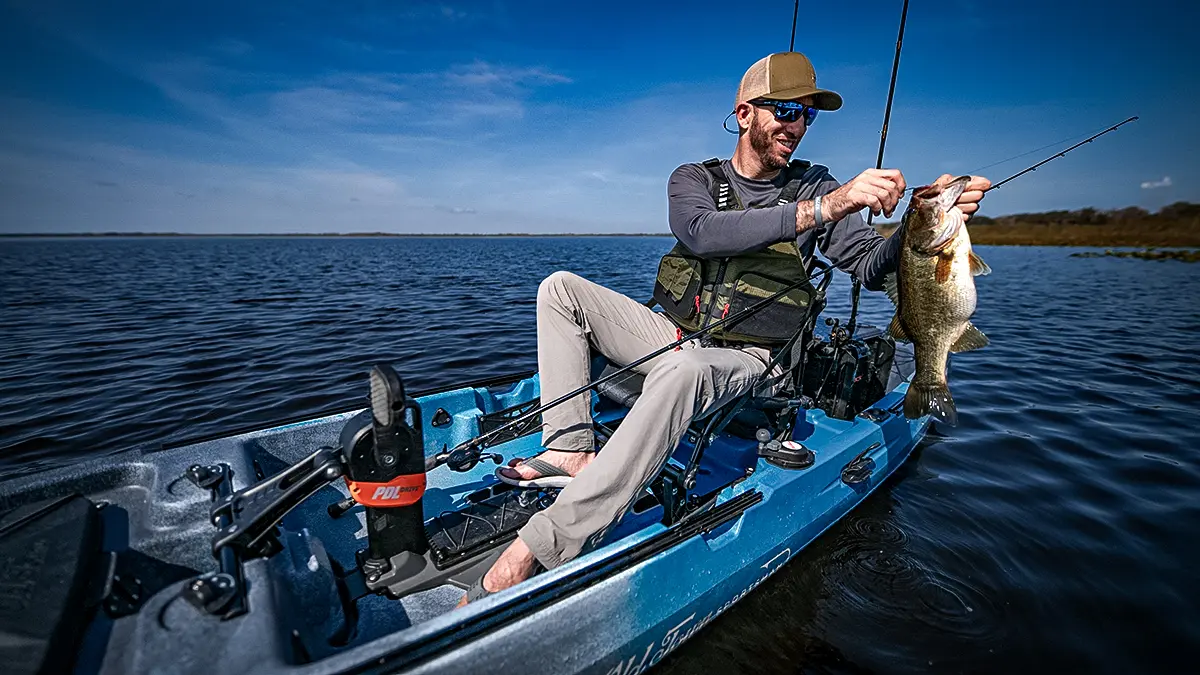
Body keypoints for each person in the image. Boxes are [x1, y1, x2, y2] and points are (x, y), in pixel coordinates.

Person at [459, 51, 990, 604]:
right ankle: (570, 448)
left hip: (754, 359)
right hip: (679, 334)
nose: (796, 125)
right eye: (784, 109)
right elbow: (702, 233)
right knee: (561, 288)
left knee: (688, 370)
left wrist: (921, 225)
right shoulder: (695, 178)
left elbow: (867, 266)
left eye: (808, 114)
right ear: (744, 114)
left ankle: (540, 547)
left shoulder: (815, 186)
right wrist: (826, 208)